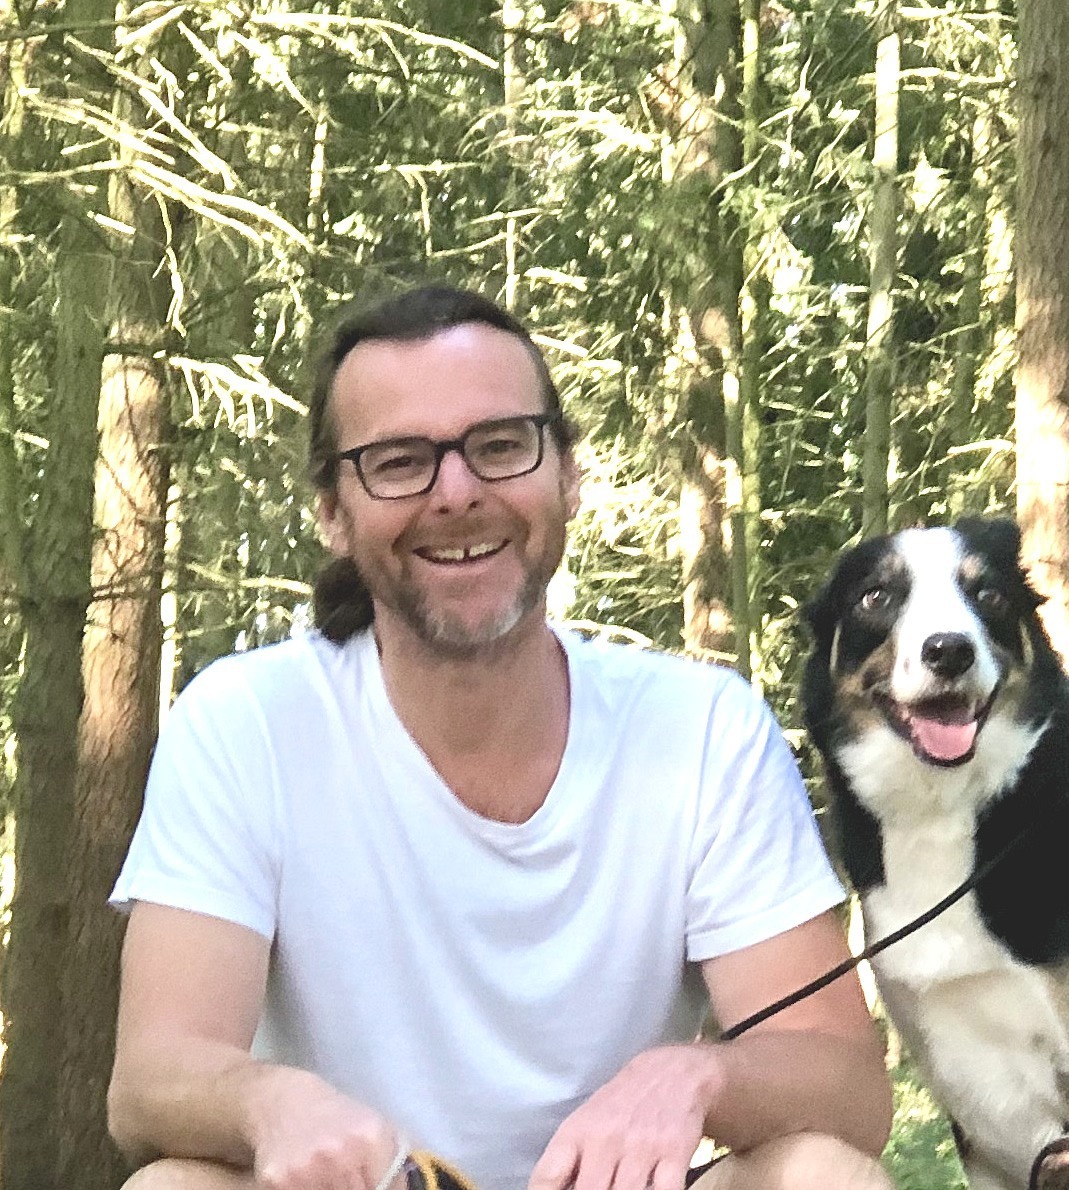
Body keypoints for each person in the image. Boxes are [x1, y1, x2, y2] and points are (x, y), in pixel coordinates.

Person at [107, 285, 895, 1190]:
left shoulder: (703, 730)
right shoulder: (245, 722)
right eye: (399, 462)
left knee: (822, 1174)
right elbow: (150, 1080)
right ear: (332, 512)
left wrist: (698, 1076)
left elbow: (848, 1089)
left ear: (568, 475)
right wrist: (268, 1101)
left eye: (500, 446)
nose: (457, 493)